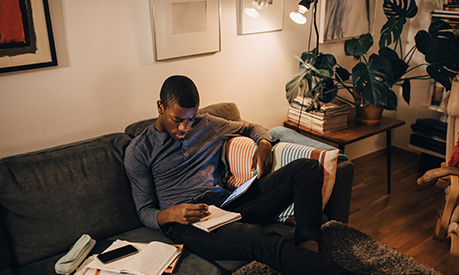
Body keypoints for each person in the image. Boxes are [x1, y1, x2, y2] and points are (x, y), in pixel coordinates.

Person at [124, 75, 360, 274]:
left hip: (228, 202)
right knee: (259, 238)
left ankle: (308, 251)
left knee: (307, 168)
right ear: (160, 107)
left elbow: (249, 127)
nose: (185, 128)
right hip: (189, 222)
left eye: (190, 119)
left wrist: (264, 143)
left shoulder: (207, 125)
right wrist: (171, 214)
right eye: (178, 120)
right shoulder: (140, 150)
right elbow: (144, 211)